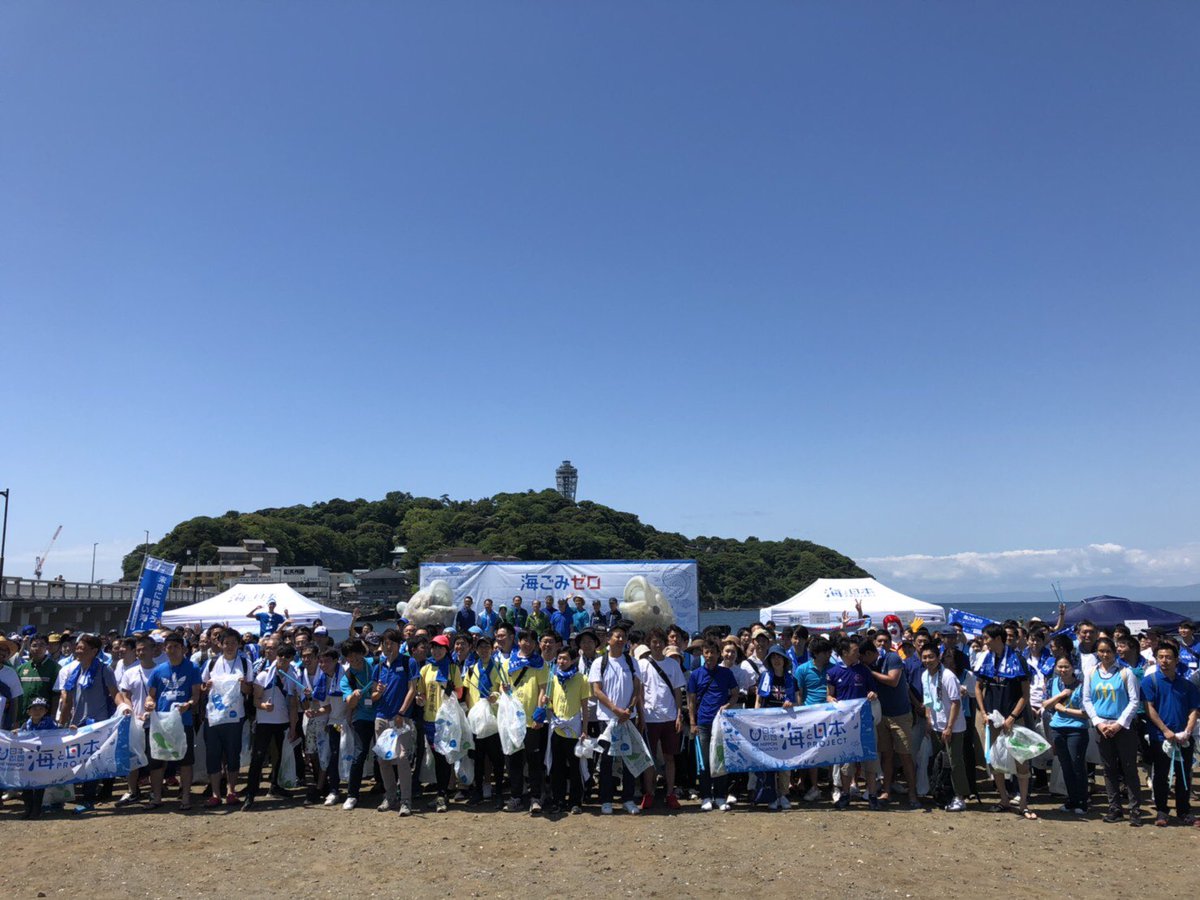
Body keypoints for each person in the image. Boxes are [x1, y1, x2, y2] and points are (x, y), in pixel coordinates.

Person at [974, 623, 1036, 820]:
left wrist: (1012, 717)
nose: (984, 642)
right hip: (993, 719)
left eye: (987, 638)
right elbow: (978, 687)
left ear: (997, 639)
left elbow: (1025, 694)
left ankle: (1023, 803)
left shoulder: (1018, 659)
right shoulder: (986, 658)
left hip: (1014, 719)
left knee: (1022, 761)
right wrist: (983, 712)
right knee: (996, 761)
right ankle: (1004, 799)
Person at [57, 633, 120, 813]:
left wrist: (123, 707)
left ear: (94, 651)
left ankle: (88, 798)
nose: (78, 651)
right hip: (77, 724)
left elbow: (115, 693)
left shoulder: (104, 670)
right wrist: (61, 723)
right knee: (79, 760)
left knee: (92, 761)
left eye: (82, 648)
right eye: (77, 647)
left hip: (98, 724)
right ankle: (81, 795)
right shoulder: (74, 671)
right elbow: (68, 700)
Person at [1140, 638, 1200, 827]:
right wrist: (1165, 730)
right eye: (1161, 657)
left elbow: (1194, 710)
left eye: (1168, 657)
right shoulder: (1150, 682)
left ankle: (1184, 811)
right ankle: (1162, 810)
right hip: (1160, 737)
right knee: (1161, 775)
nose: (1164, 661)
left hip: (1184, 738)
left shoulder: (1187, 685)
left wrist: (1187, 731)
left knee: (1184, 775)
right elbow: (1149, 708)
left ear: (1176, 660)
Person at [1082, 637, 1142, 825]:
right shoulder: (1091, 673)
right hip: (1102, 728)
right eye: (1101, 651)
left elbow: (1134, 700)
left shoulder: (1126, 673)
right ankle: (1114, 808)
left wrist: (1119, 724)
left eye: (1108, 651)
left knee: (1129, 768)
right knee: (1108, 769)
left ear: (1115, 652)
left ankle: (1135, 810)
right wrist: (1098, 723)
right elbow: (1087, 700)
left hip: (1123, 728)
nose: (1105, 655)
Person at [589, 623, 644, 815]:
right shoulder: (599, 662)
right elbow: (597, 690)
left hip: (628, 717)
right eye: (617, 636)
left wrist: (629, 709)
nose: (621, 639)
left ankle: (628, 798)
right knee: (606, 760)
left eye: (623, 637)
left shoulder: (632, 662)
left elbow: (637, 688)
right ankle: (606, 799)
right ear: (608, 639)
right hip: (607, 718)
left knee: (629, 758)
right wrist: (615, 709)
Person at [144, 632, 203, 810]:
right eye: (169, 647)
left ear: (183, 649)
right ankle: (156, 797)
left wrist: (188, 704)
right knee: (157, 760)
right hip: (161, 723)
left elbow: (196, 695)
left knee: (185, 761)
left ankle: (185, 797)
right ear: (164, 649)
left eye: (176, 647)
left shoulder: (192, 668)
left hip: (183, 722)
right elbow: (151, 696)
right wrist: (149, 704)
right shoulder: (158, 670)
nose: (172, 650)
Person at [242, 640, 300, 811]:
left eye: (287, 657)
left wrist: (293, 727)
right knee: (258, 759)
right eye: (281, 656)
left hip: (282, 723)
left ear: (291, 659)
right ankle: (250, 794)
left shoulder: (293, 677)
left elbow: (293, 705)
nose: (283, 659)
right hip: (264, 723)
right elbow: (255, 700)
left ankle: (275, 785)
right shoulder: (263, 676)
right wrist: (263, 706)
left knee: (278, 757)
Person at [826, 636, 880, 810]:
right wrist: (831, 699)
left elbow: (874, 691)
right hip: (846, 725)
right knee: (846, 762)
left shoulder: (864, 670)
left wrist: (872, 694)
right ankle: (845, 795)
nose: (859, 653)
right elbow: (829, 695)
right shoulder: (833, 672)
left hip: (865, 723)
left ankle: (872, 796)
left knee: (870, 760)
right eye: (855, 651)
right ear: (844, 652)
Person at [371, 628, 419, 816]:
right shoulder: (379, 666)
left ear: (399, 644)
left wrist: (401, 712)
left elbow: (412, 690)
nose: (388, 647)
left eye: (391, 643)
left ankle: (406, 800)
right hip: (381, 717)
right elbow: (373, 696)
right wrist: (378, 692)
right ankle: (390, 796)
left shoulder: (409, 662)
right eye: (385, 643)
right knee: (383, 759)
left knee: (402, 758)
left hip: (401, 718)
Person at [687, 638, 739, 812]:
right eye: (706, 652)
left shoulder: (726, 673)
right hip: (703, 723)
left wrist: (728, 705)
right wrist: (692, 722)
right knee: (705, 762)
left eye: (713, 653)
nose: (709, 656)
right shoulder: (696, 674)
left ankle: (720, 796)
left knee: (720, 760)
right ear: (703, 654)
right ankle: (706, 796)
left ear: (718, 654)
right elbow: (691, 700)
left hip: (721, 724)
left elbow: (735, 694)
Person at [638, 628, 687, 810]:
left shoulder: (672, 664)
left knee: (669, 757)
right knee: (649, 759)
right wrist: (641, 715)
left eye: (660, 641)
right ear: (649, 644)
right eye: (654, 642)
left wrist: (679, 714)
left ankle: (670, 793)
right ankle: (649, 793)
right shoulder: (642, 664)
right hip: (650, 718)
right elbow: (640, 692)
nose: (657, 645)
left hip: (670, 716)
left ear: (665, 643)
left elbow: (677, 691)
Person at [870, 632, 919, 809]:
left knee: (905, 756)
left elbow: (893, 680)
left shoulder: (893, 658)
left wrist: (870, 673)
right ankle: (886, 791)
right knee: (887, 756)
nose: (882, 644)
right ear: (874, 643)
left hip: (900, 715)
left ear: (890, 643)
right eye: (879, 641)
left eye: (885, 641)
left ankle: (912, 793)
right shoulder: (873, 660)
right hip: (882, 715)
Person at [502, 628, 549, 813]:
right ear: (518, 641)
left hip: (531, 721)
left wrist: (539, 712)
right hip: (513, 721)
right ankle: (516, 797)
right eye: (524, 640)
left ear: (536, 644)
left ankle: (535, 797)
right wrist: (504, 689)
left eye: (531, 641)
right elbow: (503, 687)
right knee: (514, 761)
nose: (527, 644)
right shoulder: (509, 663)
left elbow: (543, 689)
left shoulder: (540, 664)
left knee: (534, 761)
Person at [417, 634, 462, 813]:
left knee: (444, 757)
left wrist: (451, 691)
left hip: (446, 720)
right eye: (434, 647)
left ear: (446, 649)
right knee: (437, 758)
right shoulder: (426, 669)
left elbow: (460, 693)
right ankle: (441, 793)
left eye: (440, 648)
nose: (436, 651)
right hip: (429, 719)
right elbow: (421, 693)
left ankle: (442, 794)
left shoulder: (453, 668)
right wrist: (420, 699)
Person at [920, 644, 967, 812]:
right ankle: (944, 793)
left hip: (953, 727)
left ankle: (960, 797)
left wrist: (949, 727)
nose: (927, 660)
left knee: (955, 762)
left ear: (938, 657)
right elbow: (928, 700)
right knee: (941, 762)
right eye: (924, 657)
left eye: (931, 657)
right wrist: (928, 721)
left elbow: (956, 702)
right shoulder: (925, 675)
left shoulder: (948, 676)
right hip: (936, 725)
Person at [462, 634, 505, 808]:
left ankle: (499, 793)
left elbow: (502, 688)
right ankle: (478, 792)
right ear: (476, 650)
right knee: (478, 759)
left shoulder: (499, 667)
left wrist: (495, 696)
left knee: (497, 759)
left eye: (487, 646)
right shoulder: (472, 669)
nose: (484, 650)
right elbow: (467, 693)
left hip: (494, 720)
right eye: (481, 647)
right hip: (476, 720)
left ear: (492, 649)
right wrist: (469, 713)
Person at [546, 645, 590, 814]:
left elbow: (585, 707)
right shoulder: (553, 678)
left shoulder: (581, 679)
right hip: (557, 729)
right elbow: (550, 703)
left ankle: (575, 801)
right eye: (559, 658)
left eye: (565, 658)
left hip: (574, 730)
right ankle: (558, 800)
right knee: (557, 767)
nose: (561, 661)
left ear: (573, 660)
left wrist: (584, 730)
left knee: (574, 767)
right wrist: (546, 704)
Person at [1044, 656, 1089, 816]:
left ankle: (1082, 801)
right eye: (1060, 667)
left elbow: (1086, 713)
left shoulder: (1082, 685)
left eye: (1066, 667)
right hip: (1057, 728)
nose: (1063, 670)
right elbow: (1046, 704)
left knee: (1077, 765)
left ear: (1073, 667)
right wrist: (1060, 696)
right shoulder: (1052, 683)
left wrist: (1064, 710)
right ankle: (1072, 799)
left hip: (1077, 730)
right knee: (1065, 766)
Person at [754, 646, 798, 810]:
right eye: (773, 657)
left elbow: (798, 702)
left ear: (785, 660)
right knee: (769, 761)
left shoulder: (792, 679)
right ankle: (771, 795)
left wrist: (791, 704)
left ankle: (783, 794)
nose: (776, 660)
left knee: (785, 762)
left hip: (786, 726)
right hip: (767, 725)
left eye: (779, 657)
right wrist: (756, 719)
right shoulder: (764, 677)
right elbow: (758, 701)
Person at [338, 639, 376, 810]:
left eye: (356, 654)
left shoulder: (375, 663)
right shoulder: (347, 678)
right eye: (349, 656)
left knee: (385, 753)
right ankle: (352, 794)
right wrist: (354, 696)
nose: (354, 659)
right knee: (359, 754)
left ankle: (386, 787)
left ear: (362, 652)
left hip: (382, 714)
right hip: (362, 717)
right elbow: (350, 703)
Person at [15, 697, 58, 818]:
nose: (37, 711)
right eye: (34, 708)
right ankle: (28, 808)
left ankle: (36, 810)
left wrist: (71, 730)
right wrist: (14, 734)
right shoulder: (25, 725)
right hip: (28, 760)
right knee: (26, 786)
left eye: (41, 708)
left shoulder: (50, 724)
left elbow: (60, 733)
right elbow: (20, 736)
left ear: (45, 711)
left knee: (39, 786)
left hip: (42, 760)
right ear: (28, 711)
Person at [16, 635, 59, 722]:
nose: (38, 648)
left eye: (42, 645)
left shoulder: (55, 668)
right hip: (22, 719)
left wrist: (53, 717)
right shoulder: (21, 669)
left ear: (47, 647)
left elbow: (56, 696)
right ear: (29, 647)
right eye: (34, 645)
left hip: (44, 720)